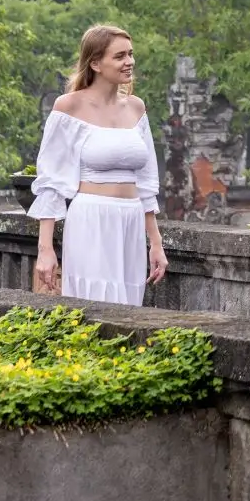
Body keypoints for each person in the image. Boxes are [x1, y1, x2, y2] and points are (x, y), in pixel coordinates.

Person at [29, 24, 168, 304]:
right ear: (95, 63)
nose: (129, 62)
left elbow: (146, 182)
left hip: (129, 222)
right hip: (91, 220)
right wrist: (45, 249)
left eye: (130, 54)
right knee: (90, 306)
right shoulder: (68, 106)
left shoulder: (136, 107)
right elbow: (51, 182)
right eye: (119, 56)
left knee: (127, 309)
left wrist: (156, 242)